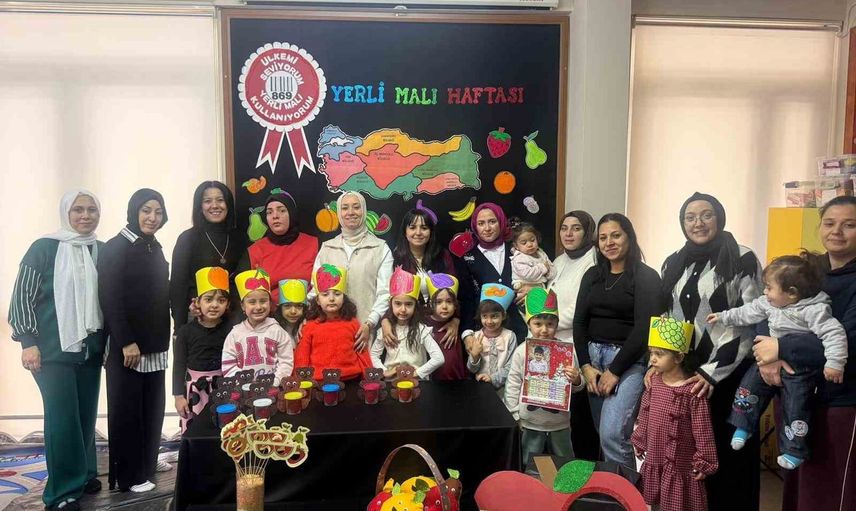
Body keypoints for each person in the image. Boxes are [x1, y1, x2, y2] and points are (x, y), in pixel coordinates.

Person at [750, 196, 856, 511]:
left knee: (831, 488)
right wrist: (768, 355)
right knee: (797, 483)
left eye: (849, 225)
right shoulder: (806, 270)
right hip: (793, 390)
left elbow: (849, 338)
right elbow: (768, 305)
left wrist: (781, 348)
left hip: (839, 399)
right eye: (830, 223)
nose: (837, 231)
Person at [658, 192, 763, 511]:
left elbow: (749, 318)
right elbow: (668, 315)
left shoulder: (741, 257)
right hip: (688, 374)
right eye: (690, 217)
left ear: (719, 217)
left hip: (728, 375)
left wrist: (713, 371)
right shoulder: (674, 261)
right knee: (692, 454)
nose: (698, 223)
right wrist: (663, 364)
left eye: (706, 215)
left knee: (730, 455)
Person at [8, 189, 106, 511]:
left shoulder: (101, 249)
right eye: (78, 209)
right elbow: (22, 298)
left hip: (90, 350)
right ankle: (62, 492)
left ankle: (84, 475)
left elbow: (108, 299)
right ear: (66, 212)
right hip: (51, 351)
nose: (85, 215)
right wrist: (28, 342)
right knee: (62, 421)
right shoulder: (44, 248)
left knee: (85, 416)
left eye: (91, 209)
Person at [707, 254, 847, 469]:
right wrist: (723, 316)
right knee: (748, 386)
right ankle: (743, 425)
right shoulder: (769, 303)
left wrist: (835, 363)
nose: (765, 292)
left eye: (769, 288)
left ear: (792, 293)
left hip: (799, 369)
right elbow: (746, 312)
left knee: (796, 405)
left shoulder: (815, 310)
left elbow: (834, 334)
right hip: (769, 360)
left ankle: (794, 449)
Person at [573, 213, 665, 468]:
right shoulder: (592, 275)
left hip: (628, 361)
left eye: (616, 235)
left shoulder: (646, 277)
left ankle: (627, 491)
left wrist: (614, 371)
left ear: (629, 237)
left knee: (613, 435)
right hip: (593, 361)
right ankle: (611, 488)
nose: (609, 242)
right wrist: (586, 366)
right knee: (602, 436)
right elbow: (579, 323)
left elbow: (645, 328)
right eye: (603, 238)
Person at [99, 188, 171, 493]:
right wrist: (126, 340)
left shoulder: (154, 246)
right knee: (128, 410)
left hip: (154, 342)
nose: (152, 217)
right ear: (134, 211)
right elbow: (110, 297)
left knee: (152, 407)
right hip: (128, 346)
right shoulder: (117, 247)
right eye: (146, 210)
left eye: (158, 212)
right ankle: (129, 476)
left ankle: (147, 461)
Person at [632, 316, 718, 511]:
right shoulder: (653, 383)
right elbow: (645, 413)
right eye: (651, 353)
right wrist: (640, 439)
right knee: (656, 504)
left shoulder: (693, 391)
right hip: (656, 456)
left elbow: (703, 429)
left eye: (659, 354)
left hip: (681, 463)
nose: (652, 359)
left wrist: (705, 461)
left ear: (679, 357)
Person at [505, 288, 584, 470]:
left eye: (550, 324)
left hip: (560, 423)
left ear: (557, 324)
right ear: (529, 324)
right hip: (530, 421)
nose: (544, 329)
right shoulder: (522, 352)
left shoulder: (567, 352)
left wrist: (577, 380)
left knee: (565, 462)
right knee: (529, 463)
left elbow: (578, 387)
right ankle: (530, 487)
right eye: (538, 324)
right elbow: (513, 384)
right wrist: (515, 414)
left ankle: (565, 487)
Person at [546, 210, 599, 459]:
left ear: (587, 232)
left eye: (576, 228)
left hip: (576, 344)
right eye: (564, 228)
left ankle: (583, 469)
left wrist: (548, 323)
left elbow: (580, 310)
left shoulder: (593, 261)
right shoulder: (559, 261)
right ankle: (560, 468)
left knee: (577, 417)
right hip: (554, 342)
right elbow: (548, 299)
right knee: (557, 416)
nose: (568, 233)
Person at [314, 191, 393, 352]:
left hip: (366, 332)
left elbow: (385, 293)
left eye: (356, 207)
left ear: (364, 210)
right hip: (330, 331)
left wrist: (369, 324)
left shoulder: (380, 248)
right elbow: (316, 290)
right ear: (339, 212)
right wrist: (306, 319)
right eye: (345, 208)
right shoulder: (327, 248)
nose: (350, 212)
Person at [384, 207, 459, 354]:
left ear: (431, 232)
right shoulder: (396, 258)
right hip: (408, 324)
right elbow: (388, 293)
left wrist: (455, 320)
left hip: (441, 324)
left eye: (424, 228)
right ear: (405, 231)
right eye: (412, 227)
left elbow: (454, 293)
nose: (418, 232)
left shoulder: (443, 256)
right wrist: (385, 320)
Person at [170, 181, 243, 329]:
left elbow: (243, 279)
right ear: (200, 206)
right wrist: (179, 327)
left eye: (220, 200)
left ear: (228, 204)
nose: (214, 205)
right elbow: (178, 286)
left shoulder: (239, 238)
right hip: (197, 316)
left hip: (233, 317)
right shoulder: (187, 238)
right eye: (207, 201)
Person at [456, 203, 528, 345]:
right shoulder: (468, 258)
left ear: (501, 222)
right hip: (485, 335)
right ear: (475, 226)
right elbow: (466, 300)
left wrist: (534, 288)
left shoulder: (518, 249)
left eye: (492, 221)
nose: (487, 228)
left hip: (520, 329)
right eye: (481, 223)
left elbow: (541, 277)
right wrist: (467, 334)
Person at [172, 267, 232, 432]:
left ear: (227, 304)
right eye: (208, 299)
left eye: (221, 300)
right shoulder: (185, 332)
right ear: (197, 302)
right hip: (194, 390)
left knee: (223, 431)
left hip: (224, 388)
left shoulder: (231, 329)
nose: (214, 305)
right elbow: (179, 365)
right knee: (196, 432)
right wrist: (178, 396)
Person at [294, 264, 374, 381]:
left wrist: (370, 378)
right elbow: (302, 357)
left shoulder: (353, 323)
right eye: (325, 294)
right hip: (319, 382)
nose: (331, 299)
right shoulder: (309, 326)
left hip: (351, 379)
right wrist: (300, 382)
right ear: (318, 300)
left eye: (337, 294)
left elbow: (362, 353)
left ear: (344, 298)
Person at [241, 190, 319, 304]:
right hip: (268, 313)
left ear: (292, 214)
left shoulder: (313, 244)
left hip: (308, 310)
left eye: (282, 210)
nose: (275, 216)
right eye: (269, 212)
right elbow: (244, 294)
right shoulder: (255, 251)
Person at [220, 269, 293, 385]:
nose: (258, 307)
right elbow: (228, 365)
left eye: (263, 301)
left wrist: (275, 382)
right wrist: (243, 384)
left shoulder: (277, 331)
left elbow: (286, 361)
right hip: (243, 390)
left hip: (273, 389)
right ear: (242, 306)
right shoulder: (235, 334)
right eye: (252, 302)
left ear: (270, 303)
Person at [370, 267, 445, 379]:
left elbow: (439, 358)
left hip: (417, 383)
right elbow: (373, 355)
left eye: (409, 304)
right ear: (391, 304)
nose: (403, 309)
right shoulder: (386, 331)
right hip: (391, 382)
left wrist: (417, 373)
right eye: (398, 304)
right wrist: (384, 371)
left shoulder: (421, 330)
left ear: (415, 305)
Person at [464, 283, 517, 393]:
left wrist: (493, 378)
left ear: (503, 315)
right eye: (485, 316)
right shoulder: (476, 336)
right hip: (481, 387)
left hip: (505, 389)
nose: (489, 321)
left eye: (494, 316)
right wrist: (474, 355)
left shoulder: (510, 336)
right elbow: (472, 369)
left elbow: (512, 366)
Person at [424, 272, 468, 380]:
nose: (444, 306)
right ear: (430, 304)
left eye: (449, 302)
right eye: (438, 302)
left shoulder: (459, 323)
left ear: (455, 305)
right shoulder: (423, 323)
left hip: (456, 380)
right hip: (431, 382)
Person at [509, 219, 555, 290]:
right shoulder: (518, 258)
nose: (530, 244)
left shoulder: (541, 253)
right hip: (523, 286)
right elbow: (527, 274)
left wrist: (549, 273)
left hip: (540, 286)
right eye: (524, 243)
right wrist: (543, 268)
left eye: (532, 240)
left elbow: (551, 267)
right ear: (516, 246)